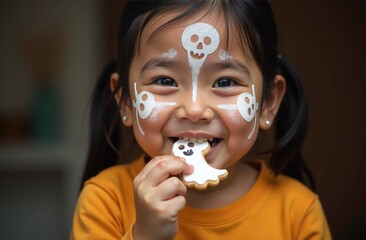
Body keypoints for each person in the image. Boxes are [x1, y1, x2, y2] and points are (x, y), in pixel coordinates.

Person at [71, 0, 332, 239]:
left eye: (225, 82)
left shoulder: (299, 213)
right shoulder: (105, 202)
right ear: (126, 101)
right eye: (165, 81)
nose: (194, 110)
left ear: (268, 103)